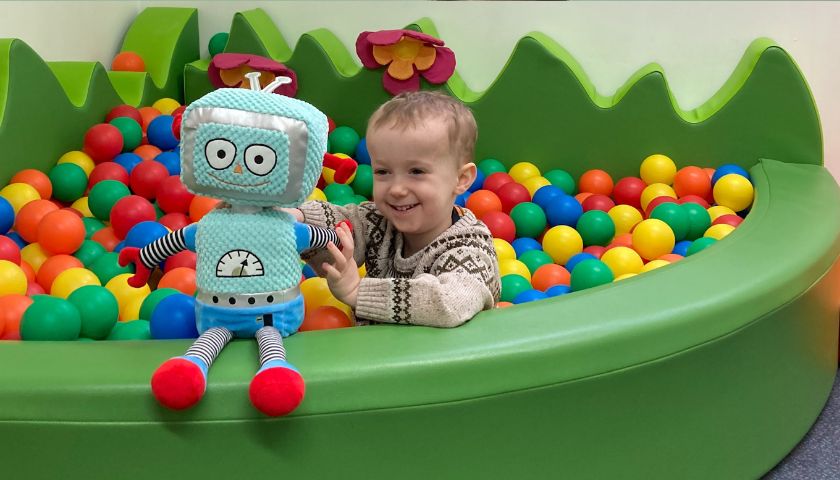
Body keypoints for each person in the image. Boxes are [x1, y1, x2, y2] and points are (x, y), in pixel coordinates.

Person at [288, 91, 500, 327]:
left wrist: (358, 291)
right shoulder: (380, 220)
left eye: (416, 172)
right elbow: (342, 225)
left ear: (461, 179)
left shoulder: (469, 250)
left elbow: (449, 304)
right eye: (383, 172)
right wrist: (294, 218)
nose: (397, 189)